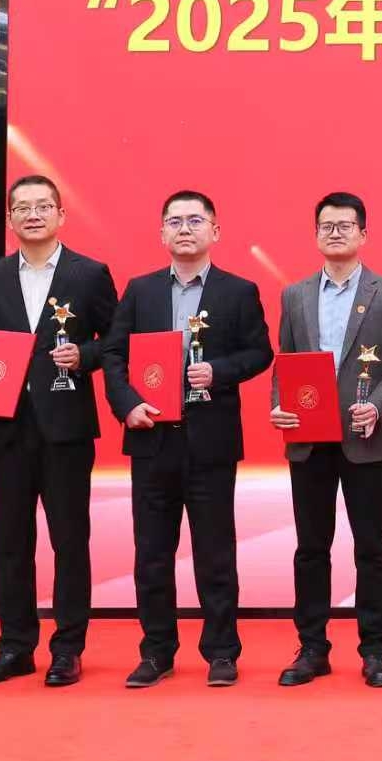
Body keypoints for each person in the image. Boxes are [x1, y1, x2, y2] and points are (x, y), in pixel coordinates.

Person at [102, 190, 273, 689]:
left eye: (195, 220)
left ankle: (221, 651)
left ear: (215, 231)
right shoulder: (140, 291)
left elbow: (260, 352)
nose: (184, 229)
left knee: (215, 553)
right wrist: (127, 404)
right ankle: (156, 651)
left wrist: (219, 371)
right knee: (152, 553)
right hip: (152, 438)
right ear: (161, 233)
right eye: (174, 221)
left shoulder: (238, 291)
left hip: (210, 442)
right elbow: (113, 355)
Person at [0, 174, 117, 688]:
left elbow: (117, 339)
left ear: (60, 215)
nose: (32, 214)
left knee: (69, 540)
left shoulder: (89, 274)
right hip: (6, 428)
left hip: (66, 427)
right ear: (9, 218)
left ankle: (67, 648)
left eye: (43, 206)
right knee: (11, 541)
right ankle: (15, 646)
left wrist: (84, 355)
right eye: (22, 207)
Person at [269, 192, 382, 689]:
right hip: (308, 440)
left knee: (371, 546)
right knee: (311, 547)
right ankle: (312, 648)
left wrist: (379, 405)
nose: (335, 233)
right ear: (316, 235)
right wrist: (279, 404)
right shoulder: (294, 295)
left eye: (345, 225)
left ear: (363, 234)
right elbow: (285, 362)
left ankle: (376, 650)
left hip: (364, 437)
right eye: (327, 226)